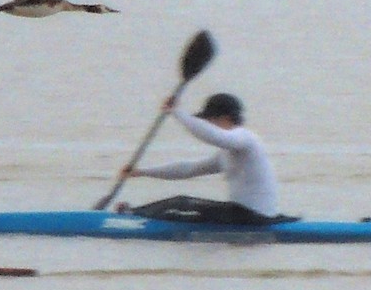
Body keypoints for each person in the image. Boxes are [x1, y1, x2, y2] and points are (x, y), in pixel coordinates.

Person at [122, 92, 286, 225]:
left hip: (254, 217)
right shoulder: (228, 152)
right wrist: (142, 172)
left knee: (180, 204)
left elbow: (214, 137)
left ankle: (131, 216)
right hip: (245, 214)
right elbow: (189, 169)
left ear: (225, 118)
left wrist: (176, 112)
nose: (206, 124)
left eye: (208, 120)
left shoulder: (245, 138)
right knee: (180, 203)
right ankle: (135, 213)